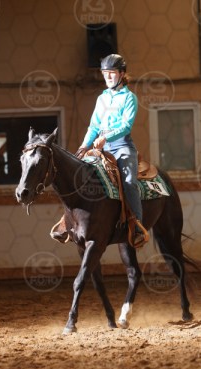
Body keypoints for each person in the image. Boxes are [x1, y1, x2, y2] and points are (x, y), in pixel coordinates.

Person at [51, 54, 147, 248]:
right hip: (99, 146)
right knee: (79, 175)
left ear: (122, 74)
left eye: (112, 73)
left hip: (122, 147)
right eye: (105, 73)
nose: (108, 77)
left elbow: (126, 126)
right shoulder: (102, 98)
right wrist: (83, 146)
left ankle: (136, 225)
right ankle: (66, 221)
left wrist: (106, 138)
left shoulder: (130, 98)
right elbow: (94, 126)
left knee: (129, 182)